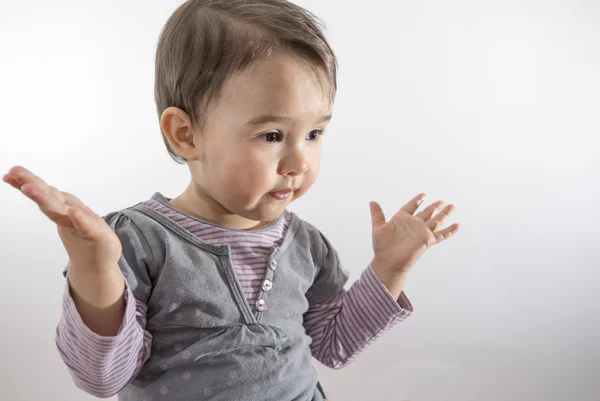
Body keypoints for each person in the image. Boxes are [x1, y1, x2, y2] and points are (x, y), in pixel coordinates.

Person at [3, 1, 459, 400]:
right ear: (187, 134)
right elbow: (102, 378)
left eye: (315, 133)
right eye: (272, 135)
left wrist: (389, 270)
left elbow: (334, 344)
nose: (298, 160)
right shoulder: (138, 241)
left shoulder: (306, 245)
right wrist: (95, 268)